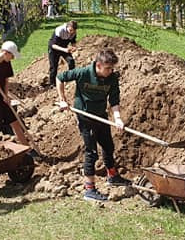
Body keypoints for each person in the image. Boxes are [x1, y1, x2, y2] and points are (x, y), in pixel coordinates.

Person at [56, 48, 132, 202]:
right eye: (108, 68)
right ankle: (89, 190)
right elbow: (60, 77)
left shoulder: (112, 78)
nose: (110, 71)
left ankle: (112, 176)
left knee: (108, 146)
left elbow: (114, 100)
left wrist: (117, 118)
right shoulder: (83, 73)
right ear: (98, 65)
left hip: (100, 115)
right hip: (85, 116)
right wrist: (62, 99)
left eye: (112, 68)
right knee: (91, 152)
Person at [47, 20, 78, 87]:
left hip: (64, 48)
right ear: (67, 26)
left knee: (71, 61)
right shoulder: (59, 30)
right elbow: (53, 45)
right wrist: (64, 50)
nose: (71, 32)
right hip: (54, 49)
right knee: (53, 67)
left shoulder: (73, 32)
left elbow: (73, 42)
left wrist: (74, 48)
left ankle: (71, 78)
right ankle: (52, 84)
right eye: (70, 30)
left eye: (73, 31)